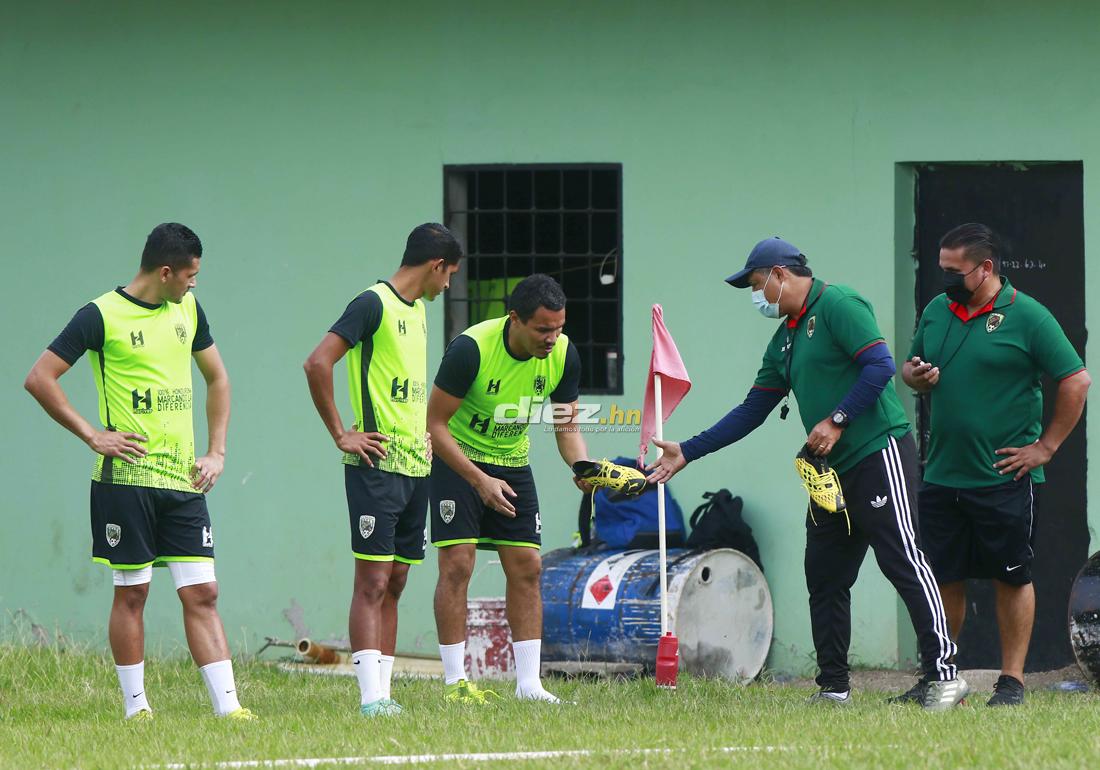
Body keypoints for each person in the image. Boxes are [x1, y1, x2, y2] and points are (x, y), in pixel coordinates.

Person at [646, 236, 966, 710]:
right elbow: (753, 410)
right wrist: (687, 452)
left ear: (779, 274)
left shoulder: (839, 303)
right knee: (825, 574)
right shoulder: (785, 340)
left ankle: (944, 677)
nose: (757, 297)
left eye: (758, 285)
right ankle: (834, 687)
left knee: (902, 559)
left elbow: (878, 367)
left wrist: (837, 420)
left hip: (876, 453)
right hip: (828, 474)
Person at [24, 223, 254, 721]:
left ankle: (230, 708)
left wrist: (217, 452)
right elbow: (39, 378)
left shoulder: (188, 310)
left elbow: (218, 378)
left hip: (183, 483)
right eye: (190, 275)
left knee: (203, 592)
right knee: (134, 593)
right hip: (125, 483)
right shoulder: (100, 315)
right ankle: (136, 708)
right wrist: (92, 434)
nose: (195, 284)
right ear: (166, 271)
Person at [902, 223, 1090, 707]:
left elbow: (1076, 380)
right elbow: (909, 368)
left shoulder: (1028, 316)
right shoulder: (938, 311)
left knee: (1011, 577)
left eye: (953, 271)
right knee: (944, 577)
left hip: (1005, 476)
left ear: (985, 268)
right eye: (940, 268)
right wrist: (918, 378)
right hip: (943, 472)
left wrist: (1045, 448)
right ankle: (941, 675)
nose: (943, 279)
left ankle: (1012, 682)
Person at [303, 223, 462, 717]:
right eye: (450, 275)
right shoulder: (372, 303)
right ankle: (370, 698)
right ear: (436, 265)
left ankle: (385, 693)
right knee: (371, 583)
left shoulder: (417, 313)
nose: (448, 286)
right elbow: (317, 363)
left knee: (396, 581)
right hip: (375, 468)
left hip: (418, 468)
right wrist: (340, 434)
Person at [427, 274, 590, 704]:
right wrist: (478, 480)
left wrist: (583, 467)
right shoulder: (471, 349)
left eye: (558, 327)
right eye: (542, 329)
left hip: (512, 461)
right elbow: (435, 426)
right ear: (514, 319)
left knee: (528, 568)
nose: (552, 338)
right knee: (458, 565)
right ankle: (455, 682)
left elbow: (567, 427)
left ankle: (529, 685)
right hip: (457, 460)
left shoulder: (563, 355)